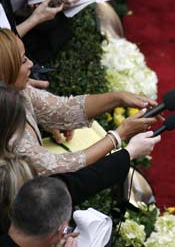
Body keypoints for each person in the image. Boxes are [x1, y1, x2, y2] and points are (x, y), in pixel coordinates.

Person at [0, 84, 161, 246]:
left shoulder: (11, 172)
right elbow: (71, 180)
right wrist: (120, 139)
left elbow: (74, 183)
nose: (31, 63)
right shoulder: (18, 166)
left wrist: (118, 98)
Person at [0, 28, 159, 176]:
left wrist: (119, 97)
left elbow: (63, 110)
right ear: (4, 72)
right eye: (22, 61)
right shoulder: (8, 130)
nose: (31, 64)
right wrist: (118, 135)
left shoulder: (19, 90)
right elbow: (57, 166)